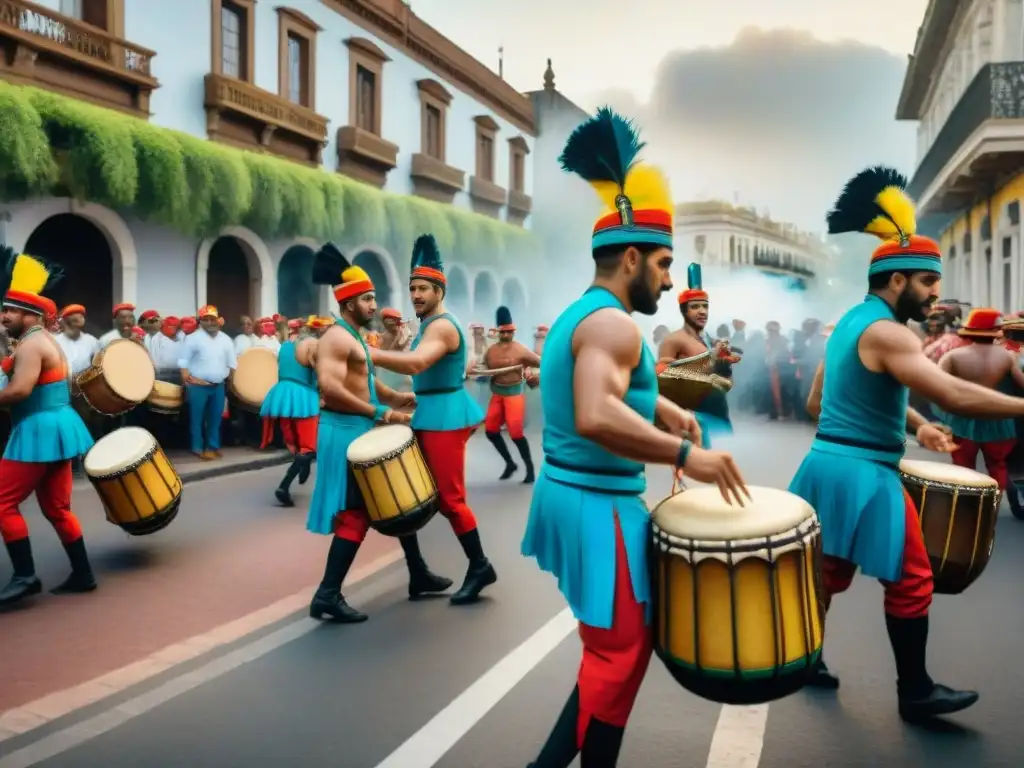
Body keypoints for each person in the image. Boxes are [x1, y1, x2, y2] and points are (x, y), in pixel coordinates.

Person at [520, 108, 748, 767]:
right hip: (597, 504)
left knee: (611, 650)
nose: (672, 280)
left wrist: (665, 415)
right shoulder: (616, 325)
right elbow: (594, 412)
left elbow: (615, 399)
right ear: (630, 259)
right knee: (620, 652)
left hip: (576, 491)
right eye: (664, 263)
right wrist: (688, 454)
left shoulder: (581, 315)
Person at [789, 166, 1024, 721]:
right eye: (926, 281)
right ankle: (914, 692)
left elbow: (820, 404)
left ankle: (804, 658)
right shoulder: (892, 333)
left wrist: (914, 427)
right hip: (865, 475)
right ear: (896, 279)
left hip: (826, 465)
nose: (935, 294)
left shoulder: (852, 322)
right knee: (913, 578)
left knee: (828, 575)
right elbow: (954, 394)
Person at [307, 243, 451, 622]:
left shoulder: (355, 337)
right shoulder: (337, 338)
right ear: (349, 302)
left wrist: (404, 398)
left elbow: (367, 381)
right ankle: (327, 594)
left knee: (395, 497)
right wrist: (381, 413)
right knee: (357, 511)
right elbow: (332, 388)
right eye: (368, 299)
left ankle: (417, 572)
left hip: (360, 427)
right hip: (345, 431)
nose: (374, 306)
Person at [370, 234, 498, 605]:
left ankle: (480, 565)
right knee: (406, 492)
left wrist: (368, 354)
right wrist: (410, 395)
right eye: (412, 289)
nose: (416, 295)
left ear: (440, 290)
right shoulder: (429, 324)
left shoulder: (441, 325)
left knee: (450, 501)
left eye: (423, 288)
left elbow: (417, 363)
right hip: (430, 410)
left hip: (445, 417)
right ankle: (418, 571)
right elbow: (424, 373)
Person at [0, 253, 97, 606]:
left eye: (10, 310)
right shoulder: (40, 341)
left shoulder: (31, 344)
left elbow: (20, 391)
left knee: (1, 503)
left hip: (38, 430)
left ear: (31, 316)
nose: (3, 315)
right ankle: (83, 574)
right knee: (57, 509)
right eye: (3, 308)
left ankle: (25, 576)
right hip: (57, 426)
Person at [936, 308, 1024, 490]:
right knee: (997, 464)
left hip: (963, 418)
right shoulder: (1007, 357)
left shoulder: (953, 356)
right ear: (996, 331)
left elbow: (935, 386)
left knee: (963, 465)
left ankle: (967, 505)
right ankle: (993, 504)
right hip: (997, 417)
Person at [655, 263, 735, 446]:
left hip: (718, 409)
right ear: (684, 311)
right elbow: (663, 378)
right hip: (693, 414)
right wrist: (710, 359)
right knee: (696, 465)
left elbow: (726, 382)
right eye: (695, 306)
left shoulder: (710, 340)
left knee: (723, 459)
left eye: (705, 307)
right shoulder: (673, 340)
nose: (702, 311)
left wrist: (724, 364)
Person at [260, 317, 321, 507]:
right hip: (304, 397)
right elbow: (319, 373)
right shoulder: (312, 345)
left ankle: (303, 469)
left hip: (283, 395)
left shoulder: (284, 346)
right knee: (309, 446)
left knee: (295, 442)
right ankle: (284, 486)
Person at [479, 305, 541, 482]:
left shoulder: (521, 349)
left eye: (509, 332)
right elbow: (482, 369)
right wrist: (480, 375)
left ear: (513, 331)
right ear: (498, 332)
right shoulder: (491, 352)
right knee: (491, 431)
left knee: (516, 433)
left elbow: (541, 363)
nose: (506, 335)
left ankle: (529, 468)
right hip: (497, 394)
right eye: (503, 332)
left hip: (514, 395)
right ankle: (510, 463)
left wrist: (531, 373)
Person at [178, 305, 237, 460]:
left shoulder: (226, 339)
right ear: (200, 322)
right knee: (197, 418)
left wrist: (231, 383)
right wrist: (187, 380)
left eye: (213, 319)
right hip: (198, 386)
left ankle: (212, 446)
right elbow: (183, 362)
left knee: (215, 419)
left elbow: (232, 364)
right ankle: (197, 447)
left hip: (218, 386)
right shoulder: (192, 339)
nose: (210, 322)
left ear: (218, 320)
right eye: (206, 319)